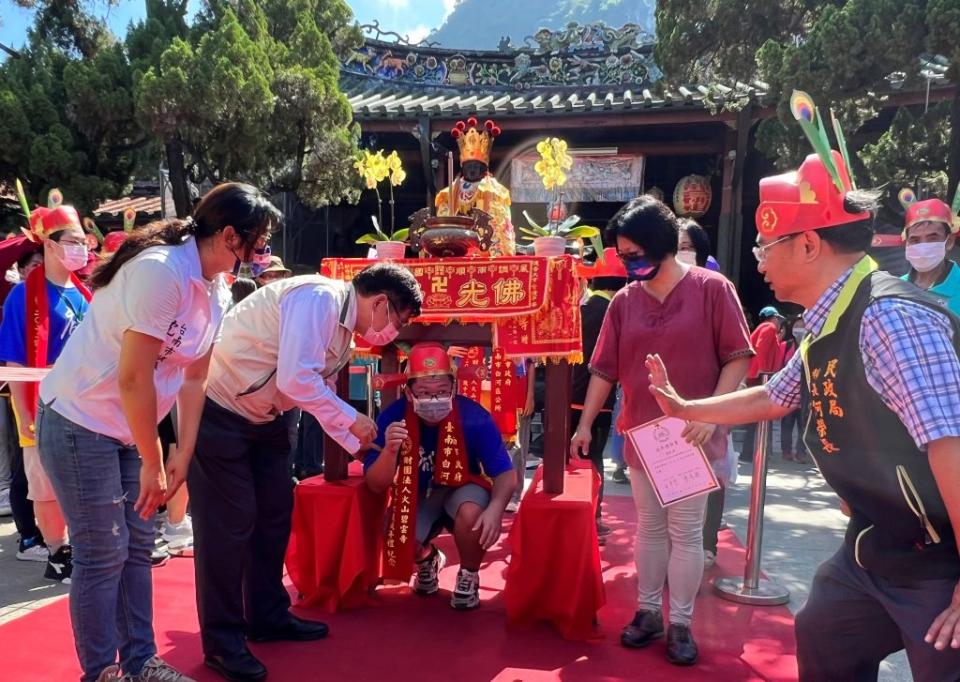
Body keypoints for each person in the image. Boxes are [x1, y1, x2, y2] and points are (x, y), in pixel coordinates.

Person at [645, 140, 960, 679]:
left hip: (937, 557)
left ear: (810, 244)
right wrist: (687, 405)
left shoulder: (889, 317)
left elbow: (950, 443)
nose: (760, 261)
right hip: (873, 544)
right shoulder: (826, 318)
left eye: (766, 246)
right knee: (824, 634)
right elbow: (776, 394)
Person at [37, 182, 278, 682]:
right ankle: (102, 670)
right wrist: (152, 459)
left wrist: (182, 454)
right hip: (82, 419)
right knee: (102, 550)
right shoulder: (162, 272)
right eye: (258, 243)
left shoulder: (216, 289)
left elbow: (194, 376)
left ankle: (140, 659)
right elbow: (132, 376)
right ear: (230, 235)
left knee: (137, 544)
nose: (262, 254)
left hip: (130, 428)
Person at [190, 261, 422, 682]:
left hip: (270, 418)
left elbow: (319, 388)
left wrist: (356, 441)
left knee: (276, 515)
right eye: (398, 321)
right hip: (221, 410)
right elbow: (299, 379)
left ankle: (267, 615)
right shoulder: (319, 299)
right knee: (229, 526)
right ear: (382, 303)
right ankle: (222, 643)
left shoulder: (344, 326)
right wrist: (353, 421)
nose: (393, 332)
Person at [570, 195, 752, 666]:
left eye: (635, 255)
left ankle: (682, 623)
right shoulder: (624, 302)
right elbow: (604, 370)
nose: (630, 264)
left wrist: (711, 415)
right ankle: (648, 612)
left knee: (687, 532)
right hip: (641, 433)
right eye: (623, 256)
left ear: (662, 245)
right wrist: (586, 424)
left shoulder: (713, 289)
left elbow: (738, 357)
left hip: (692, 433)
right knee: (650, 528)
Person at [365, 342, 515, 610]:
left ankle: (469, 574)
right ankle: (427, 558)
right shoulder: (393, 417)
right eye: (424, 392)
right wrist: (389, 451)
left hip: (464, 489)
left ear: (454, 389)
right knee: (393, 532)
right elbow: (375, 484)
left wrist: (495, 508)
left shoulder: (474, 416)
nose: (434, 400)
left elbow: (505, 472)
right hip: (420, 494)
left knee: (473, 516)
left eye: (442, 392)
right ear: (408, 392)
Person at [0, 203, 92, 586]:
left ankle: (80, 546)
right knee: (45, 484)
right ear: (50, 245)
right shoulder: (22, 297)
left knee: (81, 482)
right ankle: (57, 553)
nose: (81, 249)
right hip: (41, 406)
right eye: (73, 241)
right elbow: (16, 365)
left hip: (83, 407)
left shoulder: (84, 294)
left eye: (84, 242)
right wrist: (27, 416)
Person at [571, 247, 627, 536]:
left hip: (567, 394)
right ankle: (593, 518)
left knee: (567, 460)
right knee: (593, 462)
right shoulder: (616, 312)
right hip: (599, 400)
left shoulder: (578, 310)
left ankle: (573, 517)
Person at [435, 117, 515, 256]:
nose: (472, 170)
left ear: (484, 168)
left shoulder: (495, 191)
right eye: (469, 166)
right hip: (458, 247)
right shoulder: (448, 193)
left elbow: (499, 222)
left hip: (485, 249)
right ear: (462, 167)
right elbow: (443, 219)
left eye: (476, 166)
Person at [739, 305, 784, 462]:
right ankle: (751, 452)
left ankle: (750, 452)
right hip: (760, 376)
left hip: (757, 375)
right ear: (775, 318)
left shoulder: (763, 327)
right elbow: (761, 347)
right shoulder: (769, 327)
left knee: (756, 416)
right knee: (758, 415)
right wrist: (763, 370)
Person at [901, 197, 960, 315]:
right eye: (915, 240)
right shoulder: (897, 288)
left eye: (933, 238)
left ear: (949, 242)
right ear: (906, 243)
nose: (923, 247)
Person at [776, 319, 808, 463]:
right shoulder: (785, 346)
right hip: (788, 393)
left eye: (802, 326)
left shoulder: (811, 345)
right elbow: (778, 366)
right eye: (796, 326)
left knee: (804, 425)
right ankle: (786, 452)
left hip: (806, 393)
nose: (799, 328)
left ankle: (801, 453)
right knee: (787, 424)